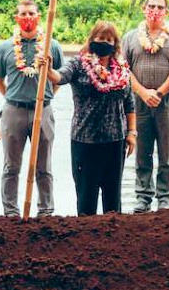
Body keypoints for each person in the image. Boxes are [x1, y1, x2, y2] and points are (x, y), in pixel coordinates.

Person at [46, 21, 136, 216]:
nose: (103, 42)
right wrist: (48, 70)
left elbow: (129, 102)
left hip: (115, 140)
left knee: (113, 198)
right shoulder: (78, 64)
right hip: (85, 140)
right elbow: (59, 77)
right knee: (86, 197)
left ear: (115, 43)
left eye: (108, 39)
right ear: (91, 39)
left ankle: (112, 238)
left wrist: (132, 132)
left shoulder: (121, 68)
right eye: (100, 38)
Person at [0, 0, 64, 218]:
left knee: (44, 166)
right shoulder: (5, 47)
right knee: (11, 166)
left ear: (39, 16)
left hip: (43, 110)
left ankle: (45, 211)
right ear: (17, 18)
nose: (27, 18)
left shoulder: (52, 45)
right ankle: (11, 212)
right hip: (14, 111)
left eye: (31, 13)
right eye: (23, 14)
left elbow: (59, 78)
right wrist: (12, 98)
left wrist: (46, 97)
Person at [122, 0, 169, 213]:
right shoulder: (131, 38)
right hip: (138, 102)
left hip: (167, 101)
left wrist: (159, 93)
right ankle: (143, 196)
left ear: (166, 12)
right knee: (141, 151)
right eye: (151, 6)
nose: (155, 10)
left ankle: (165, 197)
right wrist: (142, 92)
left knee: (166, 151)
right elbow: (124, 69)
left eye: (160, 7)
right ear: (144, 8)